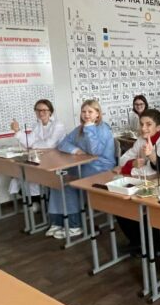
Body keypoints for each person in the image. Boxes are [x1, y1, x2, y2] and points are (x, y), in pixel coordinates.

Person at [46, 100, 115, 239]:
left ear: (98, 114)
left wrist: (89, 128)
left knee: (68, 184)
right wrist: (75, 150)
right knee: (57, 180)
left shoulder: (103, 129)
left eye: (90, 112)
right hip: (83, 166)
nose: (86, 115)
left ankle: (74, 226)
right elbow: (63, 143)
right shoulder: (79, 129)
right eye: (84, 111)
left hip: (100, 168)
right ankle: (57, 222)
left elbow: (95, 151)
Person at [116, 108, 160, 251]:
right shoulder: (140, 140)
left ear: (159, 127)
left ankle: (151, 245)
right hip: (142, 182)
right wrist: (132, 164)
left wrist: (129, 168)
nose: (143, 128)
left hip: (159, 185)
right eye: (141, 124)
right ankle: (138, 241)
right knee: (121, 208)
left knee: (142, 211)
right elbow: (123, 159)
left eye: (148, 124)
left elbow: (151, 171)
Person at [9, 99, 67, 200]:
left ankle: (43, 200)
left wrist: (33, 145)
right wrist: (17, 130)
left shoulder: (58, 125)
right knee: (25, 174)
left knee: (35, 175)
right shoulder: (37, 125)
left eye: (44, 110)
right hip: (43, 158)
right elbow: (28, 142)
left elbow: (50, 144)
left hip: (57, 160)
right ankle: (37, 200)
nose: (41, 113)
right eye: (38, 110)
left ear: (50, 111)